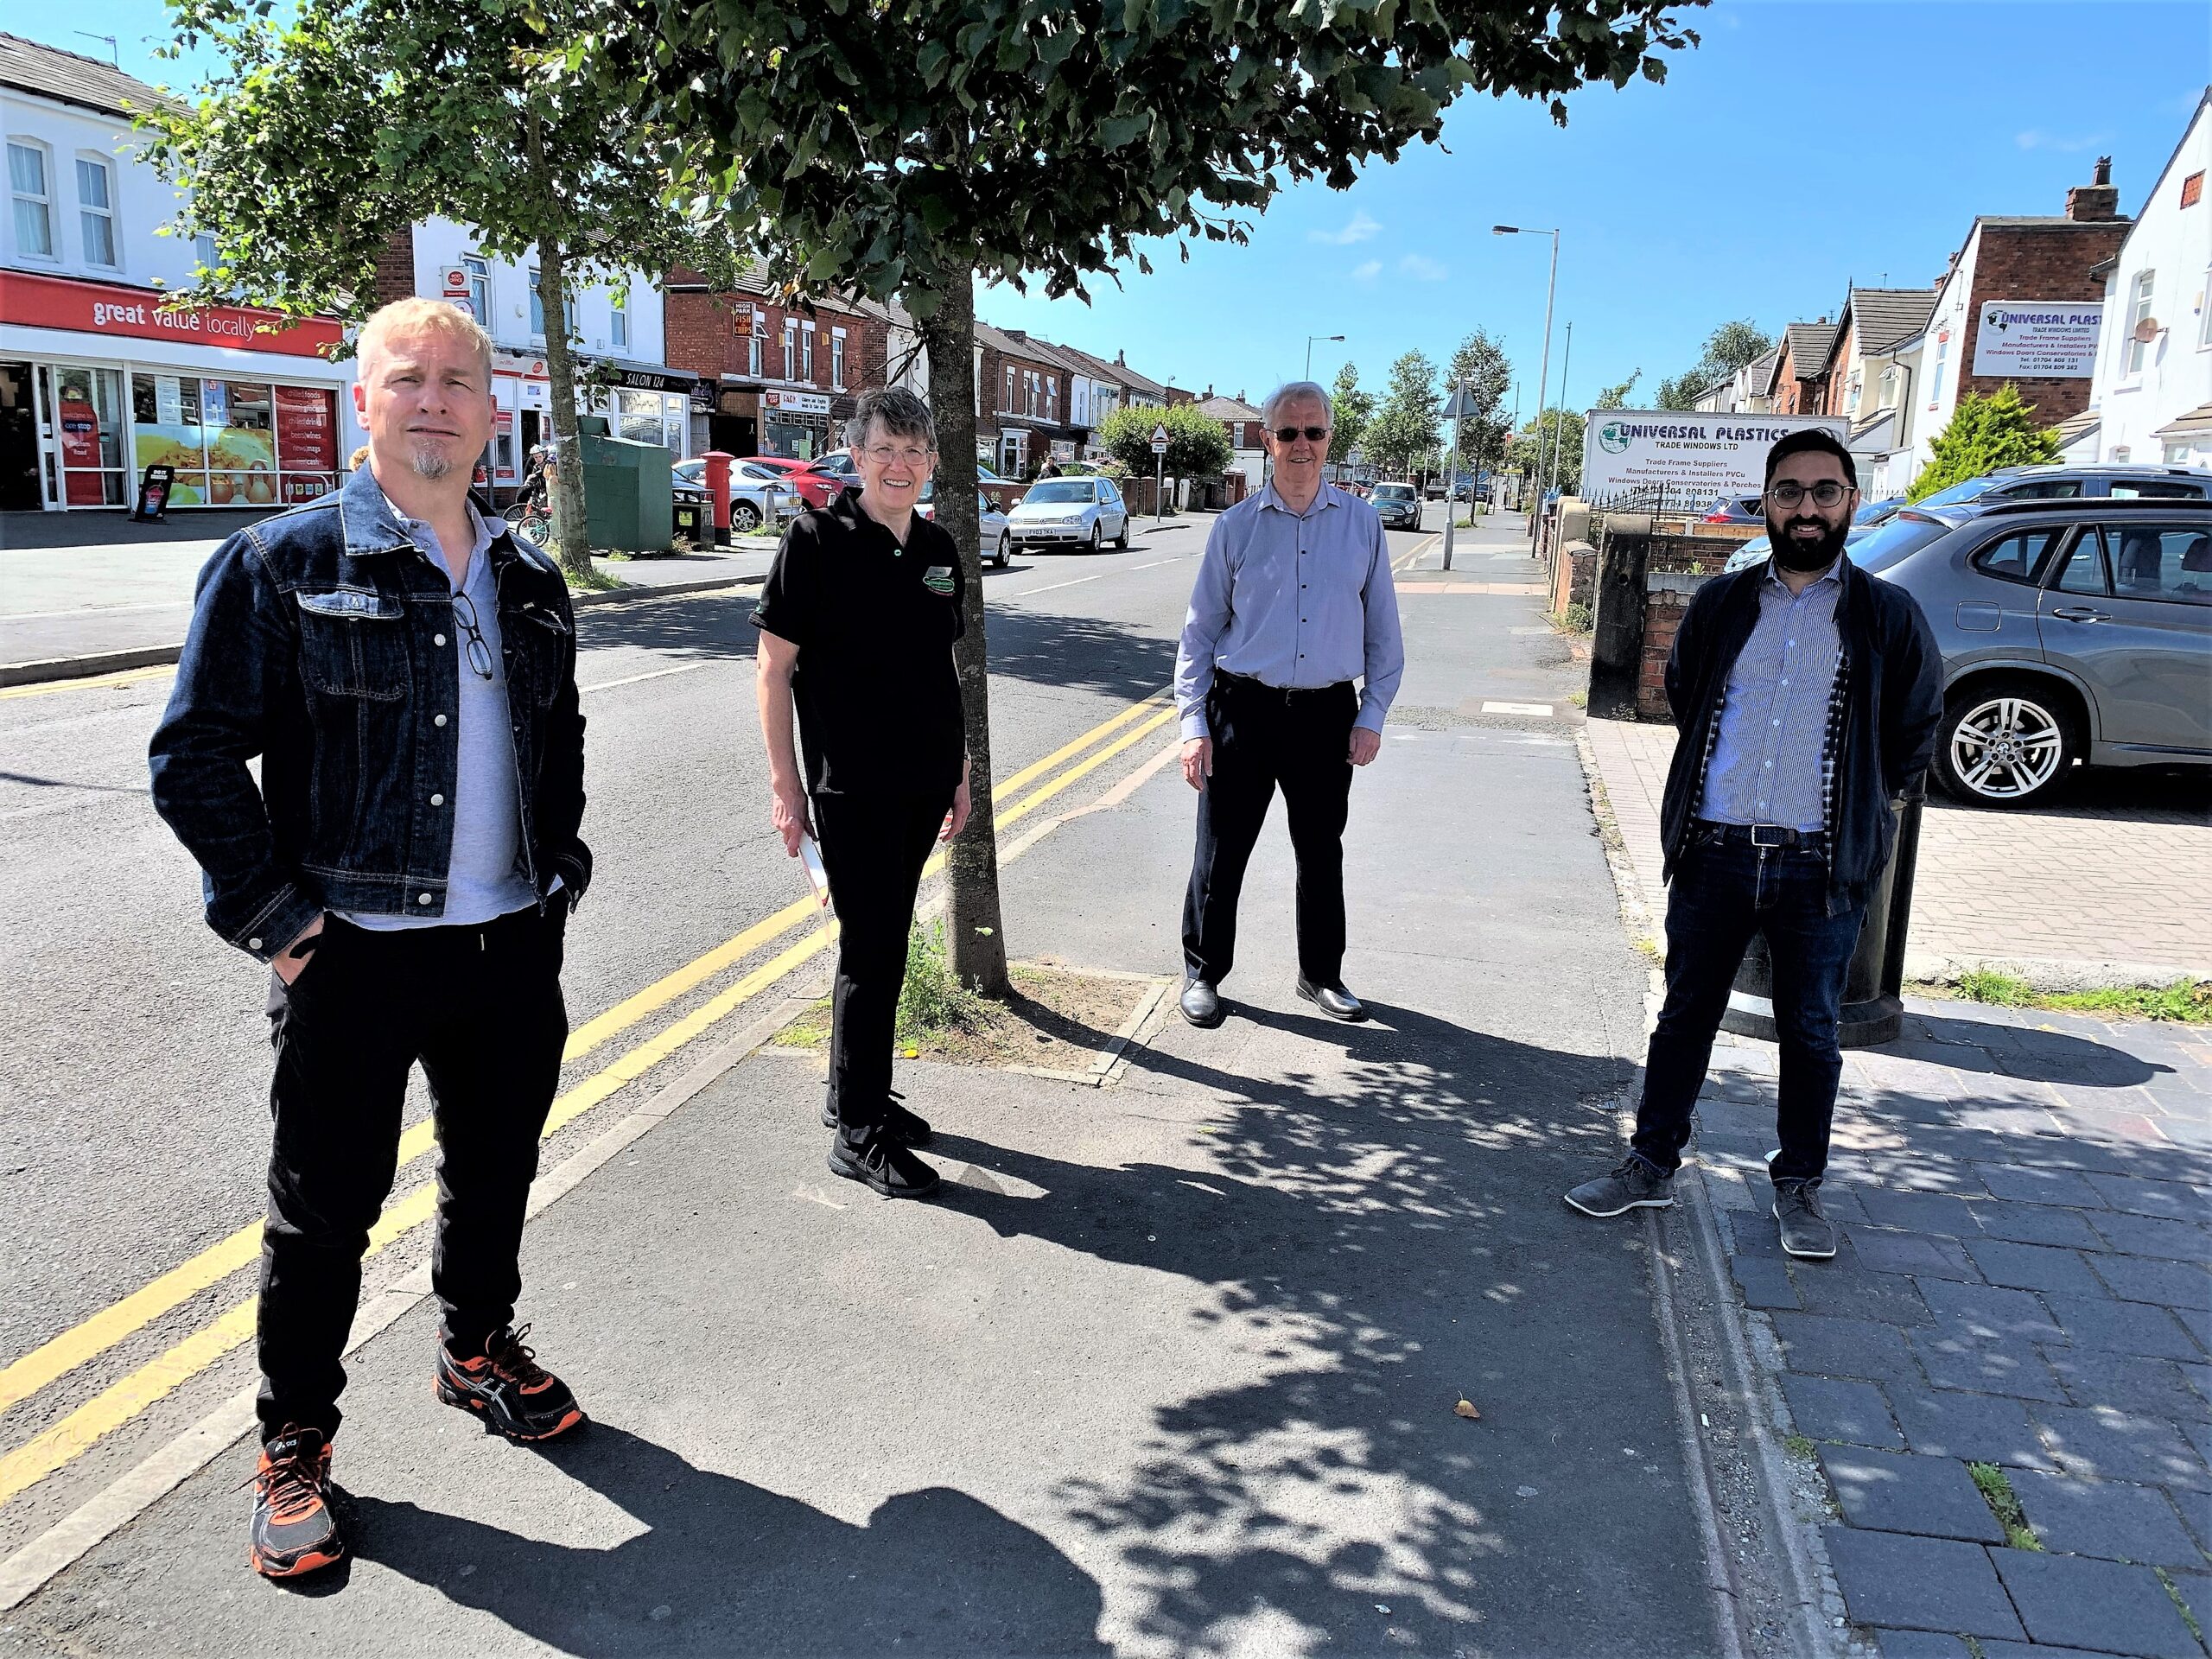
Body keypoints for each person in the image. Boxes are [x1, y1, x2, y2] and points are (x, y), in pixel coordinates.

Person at [148, 297, 591, 1579]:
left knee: (496, 1170)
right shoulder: (280, 564)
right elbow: (192, 760)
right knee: (323, 1214)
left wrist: (557, 876)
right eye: (410, 379)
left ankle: (474, 1348)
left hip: (510, 945)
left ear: (492, 406)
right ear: (365, 401)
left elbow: (557, 746)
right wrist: (282, 924)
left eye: (459, 379)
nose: (436, 400)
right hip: (353, 950)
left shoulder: (529, 576)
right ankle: (295, 1442)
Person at [1563, 428, 1942, 1260]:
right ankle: (1650, 1163)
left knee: (1811, 1031)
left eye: (1824, 492)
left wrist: (1869, 805)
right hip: (1717, 851)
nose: (1806, 509)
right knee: (1685, 1014)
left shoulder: (1886, 615)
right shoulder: (1723, 603)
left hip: (1818, 864)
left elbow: (1916, 728)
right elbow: (1685, 689)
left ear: (1849, 500)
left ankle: (1799, 1187)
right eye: (1789, 492)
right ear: (1765, 501)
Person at [754, 386, 972, 1200]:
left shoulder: (941, 546)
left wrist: (958, 769)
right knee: (872, 951)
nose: (901, 465)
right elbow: (773, 669)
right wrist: (786, 789)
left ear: (934, 462)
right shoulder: (814, 540)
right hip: (850, 788)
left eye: (916, 452)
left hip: (922, 784)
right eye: (885, 449)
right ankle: (856, 1133)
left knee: (881, 945)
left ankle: (858, 1093)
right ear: (855, 456)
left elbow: (941, 668)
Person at [1173, 380, 1404, 1029]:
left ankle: (1321, 975)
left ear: (1329, 439)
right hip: (1241, 710)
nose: (1301, 444)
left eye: (1314, 431)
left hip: (1327, 715)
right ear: (1267, 440)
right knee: (1220, 853)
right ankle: (1203, 973)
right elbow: (1198, 633)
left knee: (1320, 849)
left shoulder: (1362, 523)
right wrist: (1193, 725)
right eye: (1288, 432)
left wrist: (1372, 714)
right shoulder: (1235, 527)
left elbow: (1384, 634)